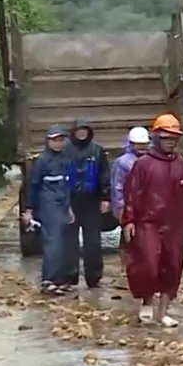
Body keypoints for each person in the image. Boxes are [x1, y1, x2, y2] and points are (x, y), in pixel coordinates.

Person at [121, 114, 183, 326]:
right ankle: (147, 301)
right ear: (156, 137)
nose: (170, 142)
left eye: (173, 138)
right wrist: (129, 220)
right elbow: (132, 194)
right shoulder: (143, 164)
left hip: (175, 224)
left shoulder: (181, 164)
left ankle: (164, 311)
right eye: (166, 137)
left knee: (173, 266)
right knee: (149, 264)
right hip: (148, 222)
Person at [21, 125, 76, 295]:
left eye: (60, 140)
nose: (58, 143)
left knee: (65, 243)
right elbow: (33, 185)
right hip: (48, 205)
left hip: (62, 205)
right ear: (48, 141)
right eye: (54, 140)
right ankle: (48, 280)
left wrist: (69, 208)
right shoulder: (43, 160)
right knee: (53, 242)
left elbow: (68, 185)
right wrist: (29, 209)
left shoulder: (66, 159)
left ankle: (61, 280)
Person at [67, 119, 111, 289]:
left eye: (85, 130)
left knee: (93, 242)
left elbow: (104, 175)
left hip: (91, 202)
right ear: (73, 132)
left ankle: (94, 277)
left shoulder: (97, 150)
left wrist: (106, 198)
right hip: (70, 202)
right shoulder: (65, 150)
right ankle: (70, 276)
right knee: (70, 242)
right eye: (79, 130)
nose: (82, 133)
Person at [110, 126, 151, 270]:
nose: (141, 147)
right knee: (128, 237)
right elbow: (117, 187)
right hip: (130, 206)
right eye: (138, 144)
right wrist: (120, 207)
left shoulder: (151, 160)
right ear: (131, 144)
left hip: (149, 207)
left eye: (144, 144)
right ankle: (125, 268)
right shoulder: (123, 162)